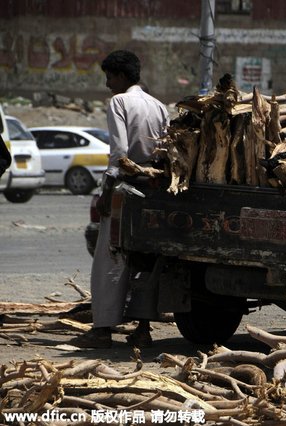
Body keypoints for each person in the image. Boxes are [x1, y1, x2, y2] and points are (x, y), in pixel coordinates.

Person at [70, 50, 169, 348]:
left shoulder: (119, 102)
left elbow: (119, 153)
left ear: (122, 77)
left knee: (110, 260)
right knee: (146, 260)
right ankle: (143, 329)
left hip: (126, 189)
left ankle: (102, 330)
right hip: (154, 190)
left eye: (110, 77)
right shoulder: (160, 106)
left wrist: (107, 190)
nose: (107, 84)